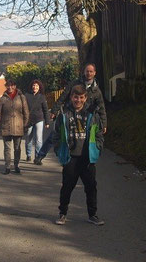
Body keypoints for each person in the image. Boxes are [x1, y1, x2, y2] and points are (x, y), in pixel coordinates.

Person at [34, 63, 107, 165]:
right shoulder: (75, 84)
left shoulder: (96, 90)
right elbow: (63, 96)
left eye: (91, 71)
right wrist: (54, 110)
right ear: (84, 72)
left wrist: (104, 123)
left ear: (95, 73)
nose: (89, 73)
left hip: (85, 118)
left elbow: (101, 107)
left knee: (81, 137)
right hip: (70, 113)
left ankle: (82, 158)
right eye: (87, 71)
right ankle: (40, 155)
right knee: (55, 135)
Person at [53, 84, 105, 226]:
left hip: (87, 157)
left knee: (90, 187)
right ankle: (62, 213)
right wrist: (59, 151)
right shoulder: (64, 113)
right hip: (70, 157)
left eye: (81, 97)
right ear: (71, 97)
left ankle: (92, 215)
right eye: (76, 97)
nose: (78, 100)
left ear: (85, 98)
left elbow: (99, 132)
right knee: (67, 187)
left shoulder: (91, 113)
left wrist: (98, 148)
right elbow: (56, 134)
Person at [0, 79, 29, 174]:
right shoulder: (3, 99)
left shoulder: (22, 97)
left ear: (15, 86)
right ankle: (7, 167)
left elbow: (26, 112)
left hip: (18, 126)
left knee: (17, 148)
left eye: (12, 85)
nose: (10, 87)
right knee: (7, 148)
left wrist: (25, 124)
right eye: (8, 86)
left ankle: (16, 165)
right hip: (6, 126)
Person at [24, 79, 50, 162]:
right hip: (29, 120)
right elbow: (23, 108)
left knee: (39, 139)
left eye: (37, 86)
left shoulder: (42, 97)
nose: (35, 87)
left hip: (39, 119)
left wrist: (47, 122)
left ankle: (38, 157)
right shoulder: (27, 95)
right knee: (29, 138)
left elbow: (45, 110)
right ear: (31, 86)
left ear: (39, 87)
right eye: (34, 85)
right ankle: (28, 154)